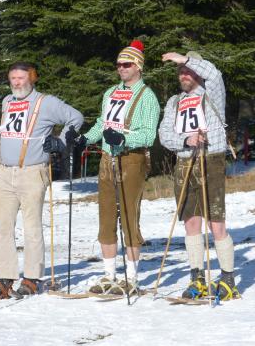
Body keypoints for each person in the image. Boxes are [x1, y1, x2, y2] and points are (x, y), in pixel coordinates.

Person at [0, 62, 83, 299]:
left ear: (32, 79)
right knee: (3, 227)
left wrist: (60, 140)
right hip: (6, 172)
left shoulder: (46, 102)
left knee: (31, 227)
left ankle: (31, 277)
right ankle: (5, 276)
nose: (16, 83)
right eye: (13, 78)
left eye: (21, 78)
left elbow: (76, 117)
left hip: (32, 172)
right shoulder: (8, 101)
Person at [77, 40, 160, 295]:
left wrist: (124, 138)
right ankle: (109, 275)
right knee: (106, 218)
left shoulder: (147, 97)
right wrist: (85, 138)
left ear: (138, 66)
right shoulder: (111, 92)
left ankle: (132, 278)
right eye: (118, 64)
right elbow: (102, 122)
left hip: (131, 158)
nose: (121, 68)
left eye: (126, 64)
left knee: (128, 217)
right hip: (106, 159)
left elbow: (148, 134)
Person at [159, 51, 240, 300]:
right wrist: (187, 139)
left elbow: (213, 73)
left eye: (188, 70)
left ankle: (227, 279)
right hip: (185, 162)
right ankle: (197, 278)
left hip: (211, 159)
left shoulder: (211, 92)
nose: (184, 75)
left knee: (216, 222)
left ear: (197, 71)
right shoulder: (174, 101)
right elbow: (164, 134)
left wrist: (184, 58)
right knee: (190, 222)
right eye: (181, 72)